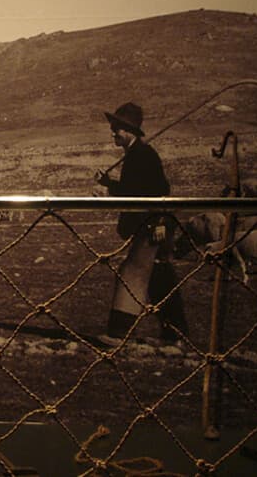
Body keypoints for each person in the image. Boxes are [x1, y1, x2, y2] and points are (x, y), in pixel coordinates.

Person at [95, 102, 188, 344]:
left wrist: (158, 222)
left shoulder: (143, 155)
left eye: (116, 128)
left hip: (152, 224)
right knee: (158, 277)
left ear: (129, 131)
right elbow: (132, 191)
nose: (113, 132)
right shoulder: (137, 155)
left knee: (132, 272)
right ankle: (176, 334)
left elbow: (159, 192)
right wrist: (109, 184)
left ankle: (119, 333)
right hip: (151, 223)